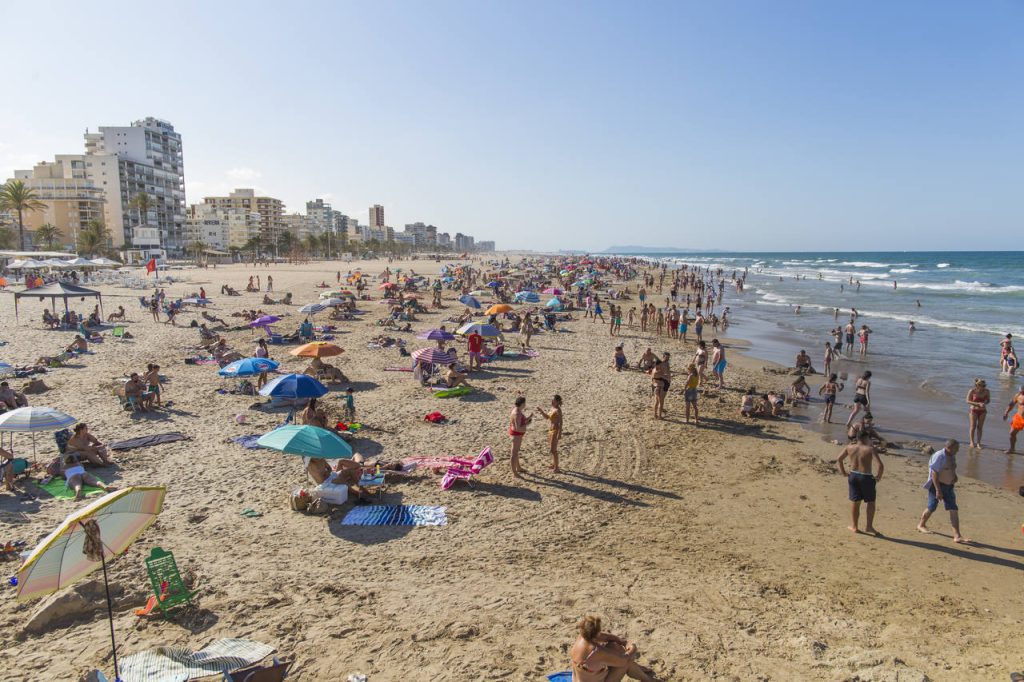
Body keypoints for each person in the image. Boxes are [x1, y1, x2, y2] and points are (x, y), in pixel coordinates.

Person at [570, 615, 657, 682]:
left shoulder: (582, 637)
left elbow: (608, 637)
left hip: (582, 678)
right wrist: (633, 648)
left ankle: (638, 669)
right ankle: (647, 680)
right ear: (596, 633)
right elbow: (625, 660)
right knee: (628, 663)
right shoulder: (596, 651)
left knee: (614, 646)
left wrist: (623, 642)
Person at [917, 439, 970, 543]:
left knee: (953, 508)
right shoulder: (939, 456)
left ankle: (957, 536)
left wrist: (954, 476)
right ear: (949, 448)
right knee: (932, 506)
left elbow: (951, 467)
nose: (958, 450)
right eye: (957, 448)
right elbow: (934, 474)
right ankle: (921, 524)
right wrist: (938, 490)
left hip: (949, 486)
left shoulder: (952, 455)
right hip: (937, 485)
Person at [836, 430, 884, 535]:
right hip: (866, 477)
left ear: (857, 438)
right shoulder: (870, 449)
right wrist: (878, 477)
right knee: (871, 502)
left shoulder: (849, 447)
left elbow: (839, 459)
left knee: (855, 502)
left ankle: (854, 526)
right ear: (866, 438)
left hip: (853, 476)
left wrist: (844, 473)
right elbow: (880, 465)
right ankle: (869, 527)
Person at [535, 395, 563, 473]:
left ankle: (557, 468)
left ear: (557, 402)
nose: (551, 401)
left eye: (553, 400)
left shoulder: (558, 410)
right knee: (552, 449)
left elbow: (561, 422)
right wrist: (541, 411)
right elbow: (547, 417)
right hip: (550, 430)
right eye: (551, 400)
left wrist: (560, 433)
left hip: (555, 430)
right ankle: (554, 464)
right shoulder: (552, 408)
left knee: (553, 450)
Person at [508, 396, 532, 478]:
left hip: (516, 434)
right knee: (514, 453)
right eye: (524, 403)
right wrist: (527, 424)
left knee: (516, 452)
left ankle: (518, 468)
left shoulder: (516, 410)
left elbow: (519, 423)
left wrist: (528, 418)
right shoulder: (517, 413)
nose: (525, 404)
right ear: (522, 404)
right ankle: (514, 472)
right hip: (516, 435)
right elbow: (518, 427)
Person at [966, 379, 990, 449]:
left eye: (984, 385)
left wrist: (985, 403)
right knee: (973, 426)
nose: (982, 387)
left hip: (983, 411)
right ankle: (972, 442)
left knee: (980, 427)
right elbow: (967, 401)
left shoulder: (987, 391)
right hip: (973, 410)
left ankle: (979, 443)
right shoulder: (972, 391)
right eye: (981, 385)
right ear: (977, 385)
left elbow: (988, 400)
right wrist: (977, 404)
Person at [1002, 385, 1024, 454]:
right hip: (1019, 417)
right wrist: (1006, 412)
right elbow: (1011, 404)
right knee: (1012, 433)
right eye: (1020, 390)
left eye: (1021, 390)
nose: (1020, 391)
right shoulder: (1018, 395)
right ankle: (1012, 449)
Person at [649, 354, 671, 420]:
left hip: (656, 387)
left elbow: (652, 380)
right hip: (661, 387)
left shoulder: (653, 370)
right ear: (658, 365)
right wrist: (668, 377)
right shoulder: (658, 372)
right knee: (661, 403)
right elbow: (665, 377)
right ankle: (660, 416)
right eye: (660, 365)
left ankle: (655, 414)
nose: (662, 365)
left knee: (656, 402)